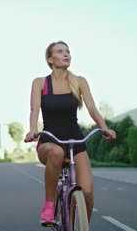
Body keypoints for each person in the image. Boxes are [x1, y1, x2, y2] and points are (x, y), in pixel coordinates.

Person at [24, 41, 116, 224]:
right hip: (50, 141)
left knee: (87, 193)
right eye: (60, 51)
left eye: (68, 51)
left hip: (76, 142)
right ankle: (49, 205)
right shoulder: (40, 83)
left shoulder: (79, 81)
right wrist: (33, 130)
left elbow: (92, 108)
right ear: (50, 59)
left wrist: (105, 128)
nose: (66, 54)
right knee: (56, 152)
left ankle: (80, 226)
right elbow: (34, 109)